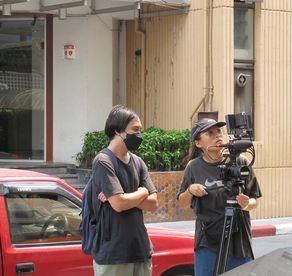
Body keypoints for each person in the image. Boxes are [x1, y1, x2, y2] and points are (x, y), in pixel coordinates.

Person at [177, 118, 262, 276]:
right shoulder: (194, 167)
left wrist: (245, 204)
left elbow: (254, 200)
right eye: (210, 133)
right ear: (198, 143)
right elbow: (182, 203)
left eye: (219, 131)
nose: (217, 136)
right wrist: (190, 190)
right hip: (208, 243)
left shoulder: (241, 162)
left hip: (239, 242)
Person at [90, 105, 158, 276]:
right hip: (113, 254)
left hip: (140, 250)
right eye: (135, 130)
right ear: (118, 130)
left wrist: (124, 197)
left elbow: (153, 204)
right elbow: (119, 204)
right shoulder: (103, 161)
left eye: (140, 130)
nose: (139, 135)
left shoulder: (138, 162)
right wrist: (142, 192)